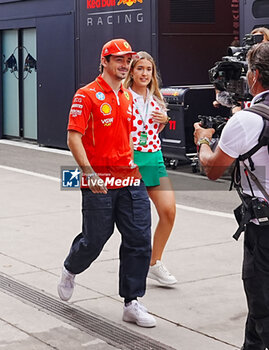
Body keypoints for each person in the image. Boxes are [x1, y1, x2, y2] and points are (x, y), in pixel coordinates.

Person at [57, 38, 157, 328]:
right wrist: (88, 172)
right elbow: (73, 137)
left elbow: (130, 133)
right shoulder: (86, 95)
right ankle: (70, 268)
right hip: (98, 179)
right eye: (119, 60)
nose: (125, 66)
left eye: (128, 61)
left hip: (130, 179)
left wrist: (137, 158)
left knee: (139, 239)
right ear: (105, 61)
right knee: (95, 239)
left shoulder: (127, 96)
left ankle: (132, 302)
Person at [193, 42, 269, 349]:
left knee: (263, 308)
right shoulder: (248, 116)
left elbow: (213, 169)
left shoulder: (247, 120)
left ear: (254, 75)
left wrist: (203, 141)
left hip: (263, 230)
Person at [124, 51, 177, 286]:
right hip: (131, 160)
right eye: (140, 69)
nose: (145, 73)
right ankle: (134, 267)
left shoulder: (157, 100)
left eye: (149, 69)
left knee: (168, 211)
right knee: (136, 222)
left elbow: (154, 131)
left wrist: (163, 122)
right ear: (132, 72)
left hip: (154, 158)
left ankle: (154, 263)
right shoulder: (122, 97)